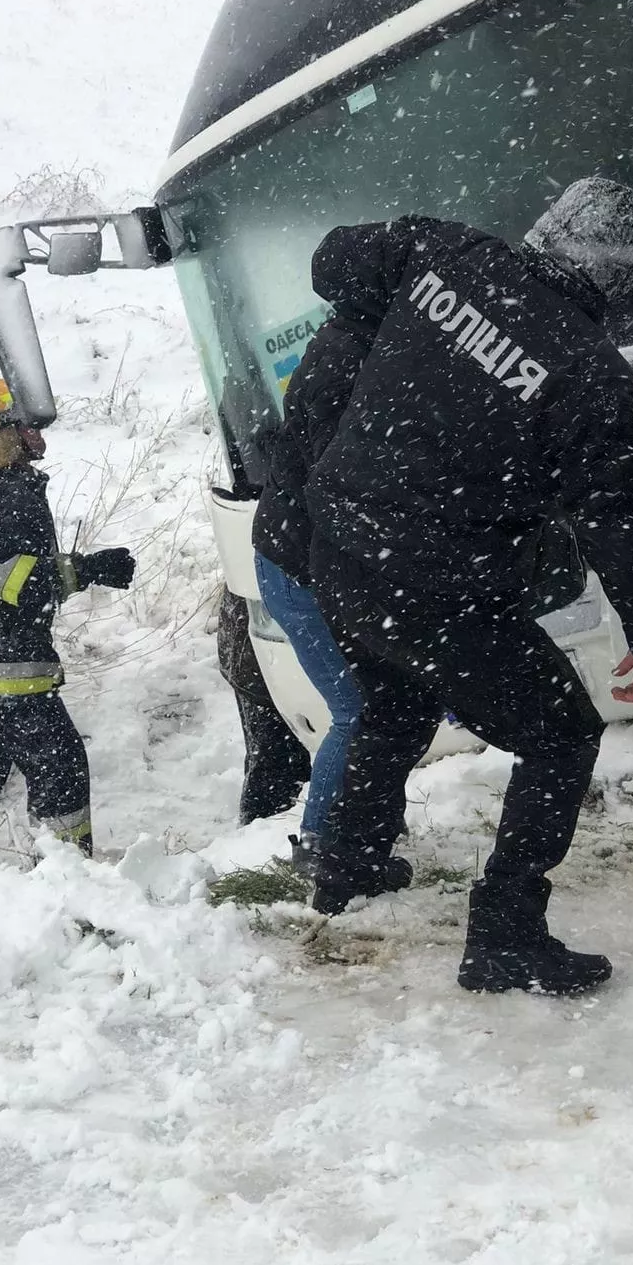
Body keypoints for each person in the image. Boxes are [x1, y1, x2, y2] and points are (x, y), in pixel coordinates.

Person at [304, 178, 633, 994]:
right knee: (560, 737)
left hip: (339, 547)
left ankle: (346, 865)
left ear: (547, 228)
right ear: (617, 279)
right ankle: (506, 934)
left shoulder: (445, 251)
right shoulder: (591, 377)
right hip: (439, 582)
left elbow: (332, 262)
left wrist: (409, 328)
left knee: (397, 702)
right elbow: (619, 521)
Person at [0, 380, 136, 860]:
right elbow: (13, 583)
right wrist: (91, 568)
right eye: (25, 424)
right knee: (61, 770)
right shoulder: (11, 493)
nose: (36, 434)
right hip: (7, 669)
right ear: (1, 434)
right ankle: (65, 875)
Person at [252, 283, 411, 894]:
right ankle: (323, 843)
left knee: (382, 702)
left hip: (298, 560)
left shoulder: (344, 344)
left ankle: (363, 838)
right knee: (359, 710)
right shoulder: (360, 364)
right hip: (300, 571)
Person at [216, 586, 311, 826]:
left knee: (274, 760)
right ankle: (261, 838)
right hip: (264, 657)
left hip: (265, 647)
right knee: (275, 762)